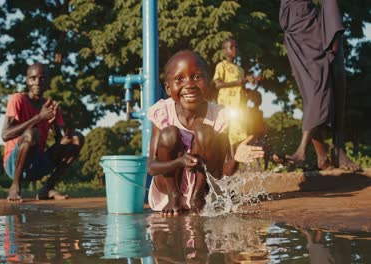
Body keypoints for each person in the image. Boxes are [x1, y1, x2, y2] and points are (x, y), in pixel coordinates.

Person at [146, 50, 264, 216]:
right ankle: (175, 197)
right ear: (167, 87)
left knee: (204, 131)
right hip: (167, 187)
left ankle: (197, 197)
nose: (189, 84)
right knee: (169, 134)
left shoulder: (219, 115)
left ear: (208, 83)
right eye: (179, 79)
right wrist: (180, 161)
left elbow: (224, 172)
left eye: (196, 77)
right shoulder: (163, 112)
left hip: (202, 187)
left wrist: (236, 158)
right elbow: (151, 167)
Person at [276, 0, 360, 171]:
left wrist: (333, 29)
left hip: (311, 32)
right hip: (296, 38)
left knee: (319, 90)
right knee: (312, 94)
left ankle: (302, 150)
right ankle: (321, 158)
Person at [2, 62, 84, 203]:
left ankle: (47, 188)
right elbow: (5, 135)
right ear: (27, 81)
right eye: (33, 78)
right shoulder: (18, 99)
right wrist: (39, 117)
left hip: (38, 164)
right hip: (14, 164)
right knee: (32, 133)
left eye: (42, 78)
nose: (37, 82)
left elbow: (60, 144)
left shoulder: (50, 105)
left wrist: (55, 126)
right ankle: (15, 185)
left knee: (77, 138)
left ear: (48, 82)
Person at [213, 39, 261, 155]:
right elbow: (218, 84)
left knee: (240, 131)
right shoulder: (221, 66)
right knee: (226, 131)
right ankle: (227, 161)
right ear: (224, 50)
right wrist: (238, 82)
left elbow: (241, 88)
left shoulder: (240, 69)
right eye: (232, 47)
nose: (235, 49)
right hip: (226, 106)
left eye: (236, 47)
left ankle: (238, 162)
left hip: (239, 105)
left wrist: (252, 82)